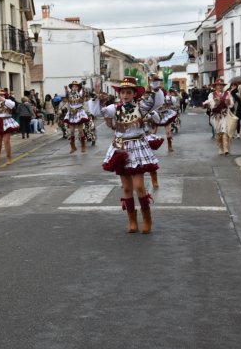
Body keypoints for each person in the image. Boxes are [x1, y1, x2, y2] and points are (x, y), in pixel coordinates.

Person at [101, 77, 162, 234]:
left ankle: (147, 219)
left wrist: (155, 87)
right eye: (123, 92)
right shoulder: (115, 108)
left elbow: (157, 102)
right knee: (127, 189)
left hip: (137, 147)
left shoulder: (141, 107)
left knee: (139, 186)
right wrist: (96, 96)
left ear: (135, 94)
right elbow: (97, 111)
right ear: (120, 94)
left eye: (129, 92)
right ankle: (132, 220)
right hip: (121, 148)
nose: (125, 95)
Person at [205, 79, 234, 155]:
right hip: (215, 116)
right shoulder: (211, 94)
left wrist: (228, 101)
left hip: (225, 115)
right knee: (218, 132)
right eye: (218, 85)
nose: (220, 87)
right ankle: (220, 148)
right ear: (215, 86)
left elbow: (231, 105)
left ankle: (226, 148)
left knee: (225, 130)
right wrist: (216, 102)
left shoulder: (227, 93)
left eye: (222, 85)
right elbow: (211, 105)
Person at [150, 75, 178, 152]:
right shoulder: (150, 90)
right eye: (154, 80)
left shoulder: (163, 90)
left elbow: (173, 100)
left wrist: (169, 97)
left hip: (164, 113)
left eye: (157, 80)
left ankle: (170, 145)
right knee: (153, 132)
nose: (155, 82)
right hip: (155, 113)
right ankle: (150, 146)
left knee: (168, 131)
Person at [63, 80, 90, 153]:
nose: (74, 88)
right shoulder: (69, 94)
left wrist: (83, 87)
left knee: (81, 131)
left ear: (78, 88)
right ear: (71, 88)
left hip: (79, 113)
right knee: (71, 131)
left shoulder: (80, 93)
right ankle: (73, 147)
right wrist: (66, 90)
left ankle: (83, 146)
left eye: (76, 86)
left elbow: (84, 95)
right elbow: (66, 97)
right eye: (73, 86)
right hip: (71, 113)